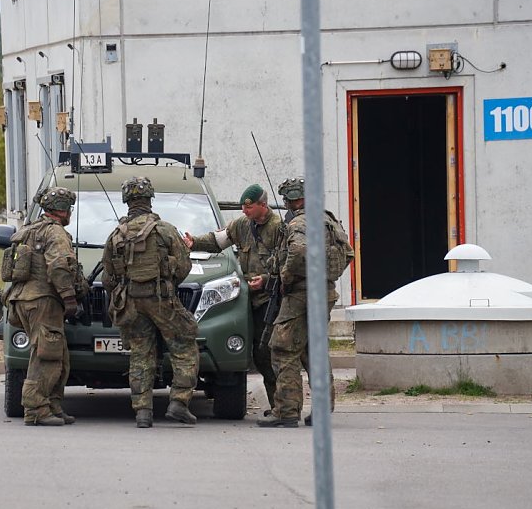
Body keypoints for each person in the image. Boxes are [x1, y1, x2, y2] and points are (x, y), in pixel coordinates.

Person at [102, 176, 200, 428]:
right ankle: (179, 402)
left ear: (126, 201)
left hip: (131, 303)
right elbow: (184, 265)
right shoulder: (165, 230)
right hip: (161, 300)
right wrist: (168, 283)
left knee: (140, 353)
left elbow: (108, 278)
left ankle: (142, 412)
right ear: (150, 199)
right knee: (184, 344)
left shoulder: (116, 235)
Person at [257, 177, 353, 428]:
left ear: (293, 199)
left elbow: (298, 251)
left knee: (283, 350)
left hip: (300, 295)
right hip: (323, 293)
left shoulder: (299, 223)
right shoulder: (328, 220)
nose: (285, 203)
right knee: (314, 351)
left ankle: (286, 411)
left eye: (286, 198)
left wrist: (287, 276)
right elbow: (348, 253)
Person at [183, 183, 282, 412]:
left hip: (270, 299)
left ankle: (282, 405)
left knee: (269, 353)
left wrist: (266, 279)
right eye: (242, 207)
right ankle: (278, 406)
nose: (244, 211)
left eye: (249, 207)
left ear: (263, 205)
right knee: (259, 354)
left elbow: (288, 262)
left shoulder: (279, 228)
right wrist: (194, 242)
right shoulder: (242, 225)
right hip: (247, 299)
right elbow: (218, 240)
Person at [4, 186, 87, 427]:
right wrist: (69, 298)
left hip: (22, 299)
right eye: (69, 208)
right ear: (63, 210)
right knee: (46, 356)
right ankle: (35, 409)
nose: (70, 213)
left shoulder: (30, 230)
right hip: (43, 301)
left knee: (58, 354)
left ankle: (53, 405)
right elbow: (59, 266)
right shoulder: (55, 233)